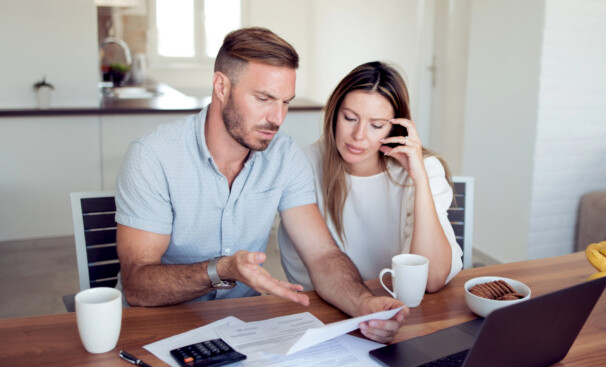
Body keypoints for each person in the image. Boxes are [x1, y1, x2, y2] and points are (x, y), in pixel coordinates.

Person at [114, 28, 407, 343]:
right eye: (264, 99)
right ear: (221, 86)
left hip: (239, 328)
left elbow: (322, 255)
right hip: (152, 327)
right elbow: (138, 284)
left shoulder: (284, 157)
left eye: (285, 102)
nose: (277, 118)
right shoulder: (154, 156)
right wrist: (222, 269)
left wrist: (363, 303)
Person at [278, 61, 463, 294]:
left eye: (376, 125)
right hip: (326, 306)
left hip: (398, 304)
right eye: (350, 118)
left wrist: (420, 181)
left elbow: (431, 279)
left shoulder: (424, 170)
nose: (358, 136)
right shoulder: (304, 164)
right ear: (334, 114)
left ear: (394, 128)